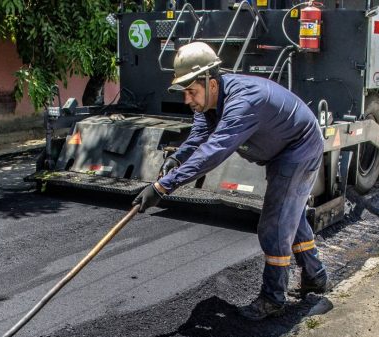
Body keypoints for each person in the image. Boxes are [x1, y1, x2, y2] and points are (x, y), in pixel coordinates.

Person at [133, 42, 329, 320]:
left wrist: (163, 187)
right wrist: (176, 159)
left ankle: (273, 298)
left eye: (191, 91)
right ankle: (316, 277)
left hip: (299, 148)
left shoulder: (243, 102)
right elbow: (199, 138)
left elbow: (214, 151)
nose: (187, 100)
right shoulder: (210, 105)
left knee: (274, 226)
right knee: (290, 216)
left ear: (210, 82)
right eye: (184, 92)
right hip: (282, 150)